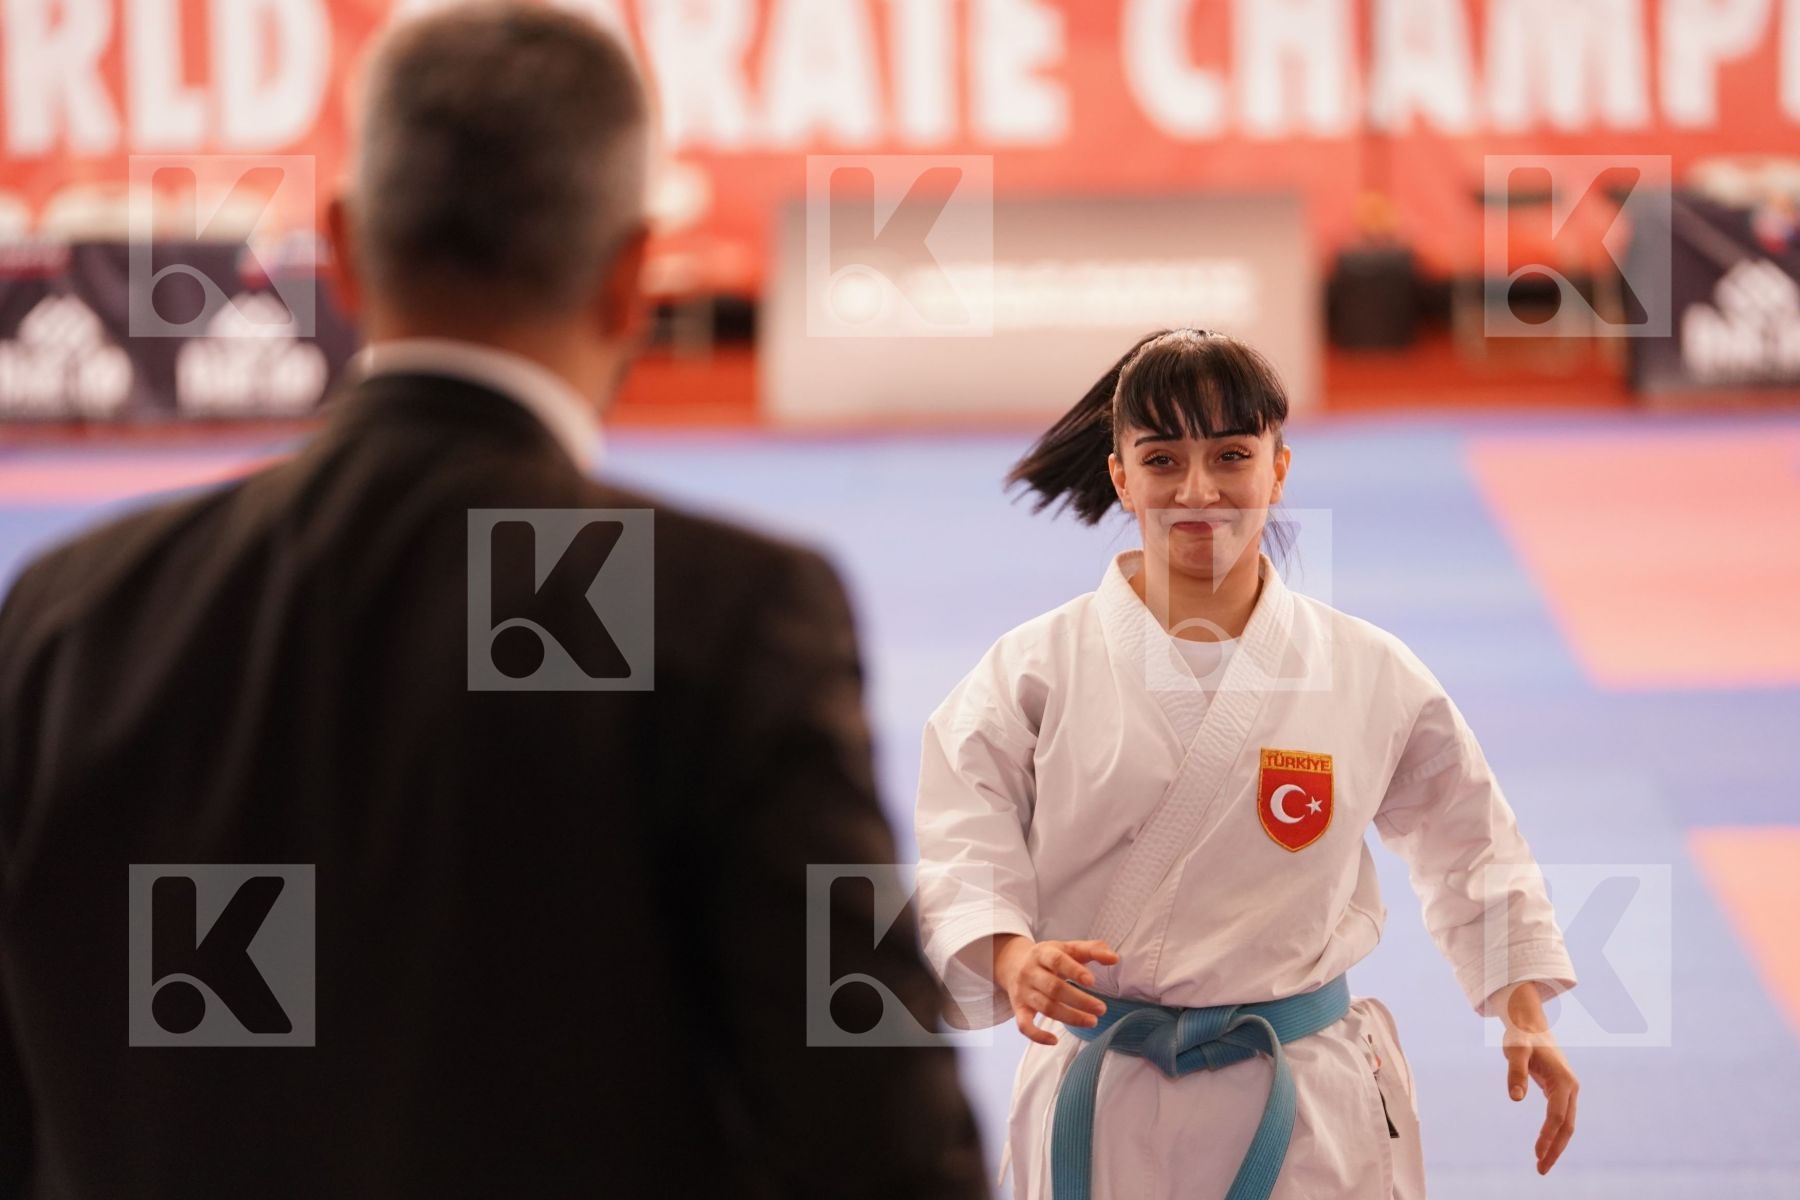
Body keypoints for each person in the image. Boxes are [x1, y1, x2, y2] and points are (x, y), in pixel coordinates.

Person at [0, 6, 987, 1197]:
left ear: (346, 251)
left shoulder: (65, 618)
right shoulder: (728, 615)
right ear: (632, 279)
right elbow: (874, 1134)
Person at [912, 328, 1580, 1199]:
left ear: (1279, 467)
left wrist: (1521, 1006)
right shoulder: (1035, 667)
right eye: (1162, 460)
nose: (1199, 491)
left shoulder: (1366, 669)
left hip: (1302, 1094)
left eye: (1232, 455)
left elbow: (1469, 837)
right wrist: (1007, 956)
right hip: (1106, 1089)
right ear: (1122, 477)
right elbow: (962, 829)